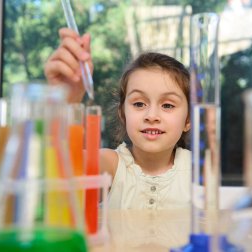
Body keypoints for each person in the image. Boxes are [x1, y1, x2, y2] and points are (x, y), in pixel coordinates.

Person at [45, 28, 191, 209]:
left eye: (167, 105)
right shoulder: (111, 165)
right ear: (123, 114)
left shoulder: (197, 171)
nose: (151, 116)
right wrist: (66, 98)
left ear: (188, 120)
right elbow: (62, 166)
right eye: (139, 104)